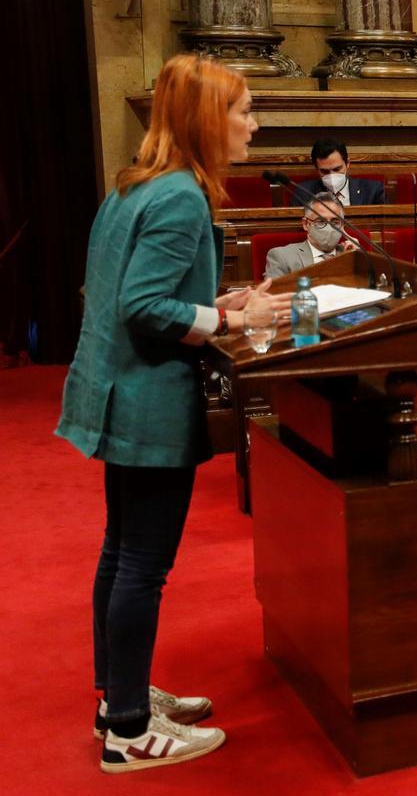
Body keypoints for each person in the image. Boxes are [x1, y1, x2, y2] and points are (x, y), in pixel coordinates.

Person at [56, 53, 292, 774]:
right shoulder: (182, 196)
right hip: (148, 404)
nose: (253, 123)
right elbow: (142, 306)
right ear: (205, 119)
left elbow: (128, 292)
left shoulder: (135, 184)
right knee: (142, 567)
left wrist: (215, 307)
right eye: (244, 109)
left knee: (119, 553)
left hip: (113, 391)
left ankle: (117, 696)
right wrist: (227, 321)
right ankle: (128, 731)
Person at [264, 193, 357, 278]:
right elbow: (273, 294)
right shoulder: (282, 256)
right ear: (305, 224)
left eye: (335, 222)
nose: (329, 227)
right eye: (320, 221)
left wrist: (359, 258)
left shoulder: (351, 254)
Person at [291, 137, 386, 206]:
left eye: (337, 169)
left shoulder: (373, 190)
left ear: (347, 164)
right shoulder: (304, 193)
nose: (332, 176)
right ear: (316, 169)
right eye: (324, 171)